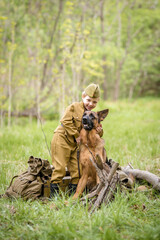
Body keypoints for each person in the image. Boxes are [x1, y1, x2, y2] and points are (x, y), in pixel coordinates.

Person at [50, 83, 103, 197]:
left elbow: (96, 129)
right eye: (88, 100)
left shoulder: (92, 114)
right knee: (60, 168)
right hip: (62, 139)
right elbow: (65, 121)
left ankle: (73, 197)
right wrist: (76, 135)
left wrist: (99, 130)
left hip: (75, 144)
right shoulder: (74, 107)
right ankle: (53, 198)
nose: (91, 104)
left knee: (76, 170)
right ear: (83, 96)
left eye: (94, 102)